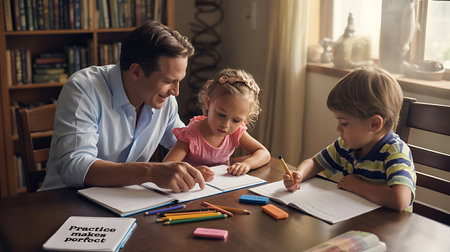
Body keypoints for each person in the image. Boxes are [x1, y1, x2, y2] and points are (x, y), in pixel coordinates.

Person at [40, 21, 206, 193]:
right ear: (135, 72)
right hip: (65, 201)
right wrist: (150, 172)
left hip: (126, 202)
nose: (176, 91)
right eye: (168, 81)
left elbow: (186, 144)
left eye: (179, 80)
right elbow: (74, 167)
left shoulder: (165, 99)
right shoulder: (83, 89)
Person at [283, 67, 416, 212]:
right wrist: (299, 175)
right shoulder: (345, 146)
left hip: (389, 230)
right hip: (353, 218)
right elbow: (315, 163)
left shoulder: (395, 152)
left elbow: (400, 199)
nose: (338, 129)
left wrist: (357, 186)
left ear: (374, 124)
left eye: (344, 123)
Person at [163, 68, 271, 180]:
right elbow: (166, 167)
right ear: (209, 103)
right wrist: (193, 172)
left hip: (221, 191)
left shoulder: (236, 132)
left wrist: (247, 164)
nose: (226, 125)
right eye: (221, 115)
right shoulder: (190, 135)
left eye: (236, 120)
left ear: (245, 120)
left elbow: (263, 153)